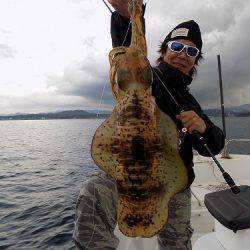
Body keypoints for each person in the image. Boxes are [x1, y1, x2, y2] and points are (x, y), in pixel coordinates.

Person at [73, 1, 225, 249]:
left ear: (195, 61)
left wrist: (203, 128)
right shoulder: (147, 79)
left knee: (177, 244)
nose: (182, 55)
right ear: (164, 51)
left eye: (191, 52)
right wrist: (128, 17)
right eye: (177, 46)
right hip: (131, 175)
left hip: (175, 186)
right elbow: (130, 58)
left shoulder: (190, 103)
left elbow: (214, 147)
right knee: (94, 190)